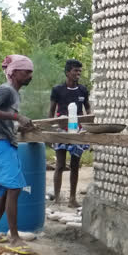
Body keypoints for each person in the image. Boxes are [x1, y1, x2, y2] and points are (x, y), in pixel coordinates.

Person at [0, 55, 35, 245]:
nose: (30, 75)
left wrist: (18, 126)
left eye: (31, 72)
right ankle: (14, 236)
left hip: (5, 144)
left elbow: (2, 120)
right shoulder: (6, 90)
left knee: (6, 191)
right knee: (14, 187)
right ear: (14, 72)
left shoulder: (14, 93)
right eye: (26, 71)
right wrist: (16, 116)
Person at [48, 59, 91, 208]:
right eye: (75, 71)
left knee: (75, 164)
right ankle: (57, 198)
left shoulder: (83, 90)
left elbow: (88, 110)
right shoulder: (58, 90)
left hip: (77, 130)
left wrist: (88, 127)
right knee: (60, 165)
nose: (78, 74)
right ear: (67, 72)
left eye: (79, 71)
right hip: (60, 130)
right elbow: (51, 111)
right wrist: (50, 129)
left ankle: (72, 199)